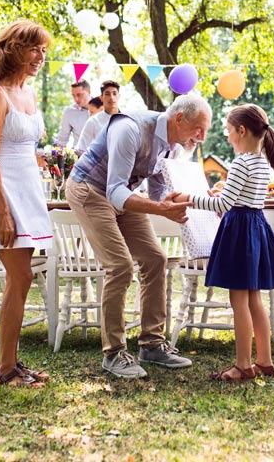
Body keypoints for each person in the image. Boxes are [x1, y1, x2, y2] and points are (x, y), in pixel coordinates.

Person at [66, 93, 212, 379]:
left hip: (121, 195)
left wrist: (195, 201)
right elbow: (115, 191)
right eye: (199, 128)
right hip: (89, 189)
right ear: (179, 118)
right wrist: (161, 208)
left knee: (155, 259)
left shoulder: (171, 145)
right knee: (119, 266)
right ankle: (113, 352)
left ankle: (152, 344)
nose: (202, 137)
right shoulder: (129, 129)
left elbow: (159, 191)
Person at [0, 20, 55, 388]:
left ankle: (12, 363)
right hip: (0, 189)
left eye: (44, 51)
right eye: (33, 48)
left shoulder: (29, 94)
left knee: (22, 278)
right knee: (20, 275)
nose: (39, 56)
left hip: (27, 187)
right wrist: (2, 210)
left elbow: (25, 148)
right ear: (12, 48)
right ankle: (5, 369)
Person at [174, 104, 274, 381]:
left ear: (241, 130)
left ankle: (243, 365)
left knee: (239, 301)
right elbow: (237, 197)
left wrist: (188, 198)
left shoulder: (241, 162)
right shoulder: (261, 162)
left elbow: (224, 203)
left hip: (239, 232)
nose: (227, 136)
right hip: (256, 228)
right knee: (255, 299)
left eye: (228, 130)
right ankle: (265, 361)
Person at [74, 80, 121, 152]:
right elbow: (81, 149)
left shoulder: (127, 120)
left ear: (119, 96)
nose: (111, 97)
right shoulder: (93, 122)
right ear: (101, 97)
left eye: (114, 94)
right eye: (107, 94)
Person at [56, 79, 92, 147]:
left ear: (89, 92)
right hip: (80, 155)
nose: (76, 99)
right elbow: (62, 139)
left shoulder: (102, 108)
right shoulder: (69, 112)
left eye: (79, 95)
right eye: (73, 95)